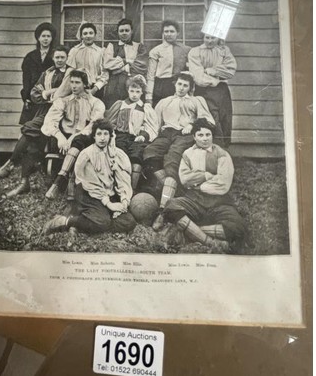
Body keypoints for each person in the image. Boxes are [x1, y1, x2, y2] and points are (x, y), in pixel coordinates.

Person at [0, 47, 73, 196]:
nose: (59, 60)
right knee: (32, 144)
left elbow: (68, 92)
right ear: (53, 59)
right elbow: (34, 92)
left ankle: (11, 163)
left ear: (67, 58)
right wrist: (46, 93)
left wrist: (49, 92)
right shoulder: (47, 73)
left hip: (63, 113)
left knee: (29, 128)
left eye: (62, 57)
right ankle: (24, 182)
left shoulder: (71, 74)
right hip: (44, 110)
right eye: (57, 57)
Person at [159, 118, 246, 250]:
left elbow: (223, 183)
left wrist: (200, 185)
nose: (204, 139)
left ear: (212, 136)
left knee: (238, 227)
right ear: (194, 136)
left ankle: (192, 231)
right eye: (200, 135)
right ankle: (211, 242)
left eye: (208, 135)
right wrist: (206, 175)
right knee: (171, 206)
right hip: (194, 200)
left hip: (218, 201)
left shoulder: (222, 155)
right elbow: (185, 179)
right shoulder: (188, 154)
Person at [42, 119, 137, 235]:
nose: (102, 138)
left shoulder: (117, 154)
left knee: (129, 222)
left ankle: (84, 223)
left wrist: (123, 202)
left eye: (106, 134)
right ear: (94, 136)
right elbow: (92, 185)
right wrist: (110, 205)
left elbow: (123, 180)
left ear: (110, 136)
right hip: (88, 193)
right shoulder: (86, 155)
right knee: (103, 222)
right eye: (99, 134)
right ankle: (65, 221)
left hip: (108, 193)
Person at [143, 72, 215, 212]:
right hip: (165, 134)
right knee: (149, 153)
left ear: (190, 87)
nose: (181, 88)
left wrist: (192, 125)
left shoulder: (196, 100)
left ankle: (163, 208)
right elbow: (155, 123)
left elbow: (208, 120)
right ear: (175, 84)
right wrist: (150, 136)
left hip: (183, 135)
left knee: (172, 159)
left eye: (185, 85)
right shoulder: (165, 102)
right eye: (179, 84)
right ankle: (173, 188)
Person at [42, 69, 106, 199]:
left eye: (77, 82)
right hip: (64, 138)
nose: (74, 86)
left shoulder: (95, 103)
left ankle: (59, 181)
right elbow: (49, 121)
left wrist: (72, 138)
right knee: (53, 140)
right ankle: (65, 181)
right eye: (72, 82)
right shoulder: (63, 101)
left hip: (82, 138)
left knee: (80, 140)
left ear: (85, 84)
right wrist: (60, 137)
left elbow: (92, 125)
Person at [105, 75, 159, 189]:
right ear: (128, 90)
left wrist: (143, 135)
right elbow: (110, 122)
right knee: (118, 155)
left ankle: (131, 189)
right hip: (120, 136)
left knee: (136, 155)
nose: (134, 94)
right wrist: (112, 133)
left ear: (142, 93)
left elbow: (150, 126)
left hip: (136, 138)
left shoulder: (145, 108)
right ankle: (115, 187)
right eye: (132, 91)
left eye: (137, 91)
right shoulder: (120, 104)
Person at [187, 34, 236, 147]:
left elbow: (230, 71)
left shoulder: (224, 51)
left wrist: (212, 71)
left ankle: (224, 150)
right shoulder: (195, 52)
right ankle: (213, 148)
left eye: (212, 38)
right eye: (207, 38)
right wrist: (217, 76)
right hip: (204, 90)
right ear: (203, 38)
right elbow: (198, 77)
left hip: (222, 90)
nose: (209, 41)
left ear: (218, 38)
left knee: (225, 118)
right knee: (212, 119)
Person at [102, 18, 148, 108]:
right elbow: (107, 64)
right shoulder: (111, 46)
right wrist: (128, 61)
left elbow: (141, 65)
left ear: (132, 31)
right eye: (121, 31)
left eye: (127, 30)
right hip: (114, 86)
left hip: (133, 86)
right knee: (113, 110)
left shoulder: (139, 46)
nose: (124, 33)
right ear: (118, 32)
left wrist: (120, 69)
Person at [19, 22, 59, 125]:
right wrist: (27, 97)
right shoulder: (30, 56)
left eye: (48, 36)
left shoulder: (56, 56)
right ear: (38, 38)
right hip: (33, 96)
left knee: (48, 124)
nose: (46, 39)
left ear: (52, 38)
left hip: (50, 96)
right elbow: (26, 79)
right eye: (43, 36)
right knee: (30, 125)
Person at [145, 20, 191, 105]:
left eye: (172, 31)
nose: (169, 34)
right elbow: (150, 76)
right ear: (163, 33)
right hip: (160, 87)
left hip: (179, 85)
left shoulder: (186, 50)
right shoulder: (156, 51)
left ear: (178, 33)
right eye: (166, 31)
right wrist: (148, 96)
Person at [66, 22, 109, 99]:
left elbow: (105, 74)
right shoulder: (74, 51)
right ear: (81, 36)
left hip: (96, 89)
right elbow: (69, 72)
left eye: (91, 33)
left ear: (95, 35)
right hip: (77, 89)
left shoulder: (101, 52)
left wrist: (94, 89)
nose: (88, 36)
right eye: (85, 33)